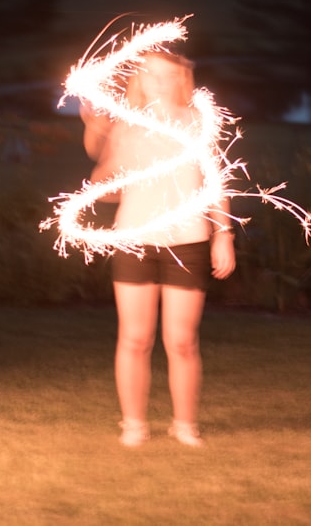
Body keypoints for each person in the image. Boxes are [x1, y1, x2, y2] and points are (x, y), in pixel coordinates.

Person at [81, 51, 236, 448]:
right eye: (150, 74)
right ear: (140, 80)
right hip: (135, 239)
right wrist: (96, 132)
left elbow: (215, 184)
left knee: (182, 341)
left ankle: (184, 424)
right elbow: (105, 184)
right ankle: (133, 424)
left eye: (168, 75)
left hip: (188, 241)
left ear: (182, 78)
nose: (159, 81)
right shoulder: (126, 126)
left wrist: (224, 235)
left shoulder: (199, 124)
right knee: (135, 338)